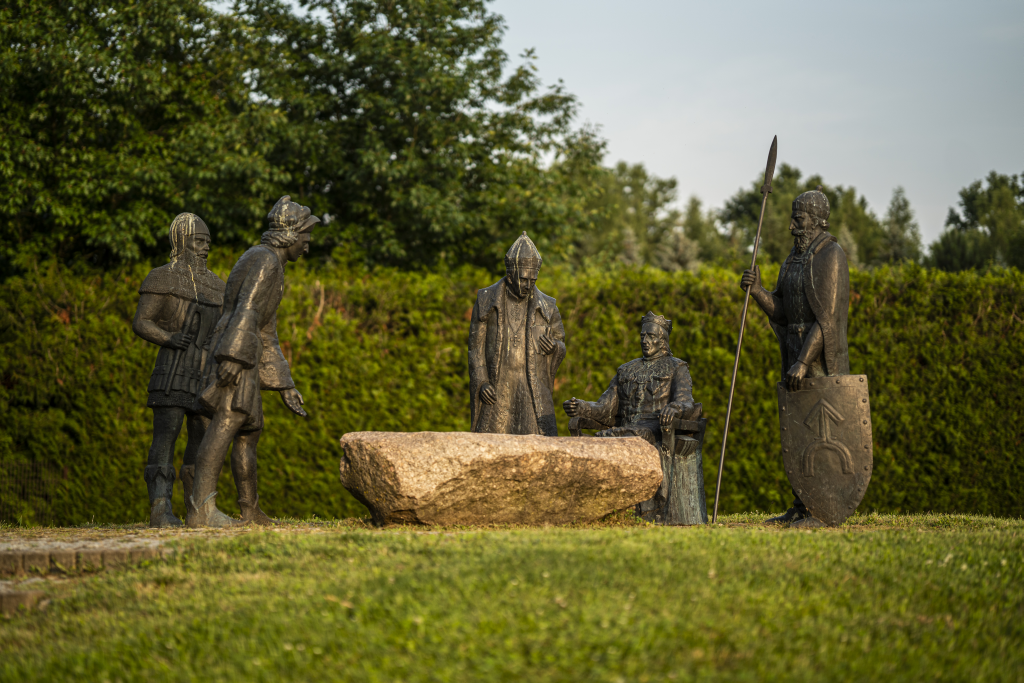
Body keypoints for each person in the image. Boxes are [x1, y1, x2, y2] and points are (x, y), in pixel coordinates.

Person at [186, 196, 317, 527]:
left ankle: (250, 510)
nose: (308, 245)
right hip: (236, 353)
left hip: (244, 351)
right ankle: (201, 509)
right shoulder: (266, 262)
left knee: (248, 430)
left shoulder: (268, 261)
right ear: (293, 234)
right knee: (226, 425)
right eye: (307, 236)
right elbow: (247, 309)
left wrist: (285, 384)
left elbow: (266, 332)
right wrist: (232, 357)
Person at [739, 187, 850, 526]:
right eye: (793, 218)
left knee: (822, 434)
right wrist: (757, 291)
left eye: (799, 219)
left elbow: (827, 319)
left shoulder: (831, 255)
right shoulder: (792, 260)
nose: (792, 226)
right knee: (799, 434)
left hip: (819, 361)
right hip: (793, 353)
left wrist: (804, 362)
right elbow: (785, 312)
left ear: (818, 221)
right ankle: (802, 505)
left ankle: (824, 509)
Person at [133, 213, 225, 527]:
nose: (205, 248)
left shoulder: (217, 284)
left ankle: (198, 509)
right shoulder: (162, 277)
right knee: (166, 436)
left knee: (202, 439)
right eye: (199, 241)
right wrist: (170, 338)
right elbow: (142, 322)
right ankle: (160, 509)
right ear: (182, 242)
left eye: (208, 243)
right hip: (172, 370)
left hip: (205, 374)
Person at [468, 232, 566, 436]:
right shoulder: (486, 300)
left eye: (533, 280)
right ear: (511, 274)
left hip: (531, 389)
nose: (528, 285)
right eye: (523, 279)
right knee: (491, 445)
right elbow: (475, 348)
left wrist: (555, 347)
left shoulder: (548, 306)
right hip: (498, 387)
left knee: (538, 446)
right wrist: (482, 381)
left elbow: (561, 343)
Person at [562, 312, 699, 447]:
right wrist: (582, 407)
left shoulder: (677, 367)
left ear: (662, 341)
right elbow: (605, 407)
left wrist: (674, 409)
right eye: (642, 336)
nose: (645, 341)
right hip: (625, 430)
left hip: (655, 431)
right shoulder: (625, 369)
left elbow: (686, 401)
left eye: (651, 336)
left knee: (622, 439)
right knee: (598, 441)